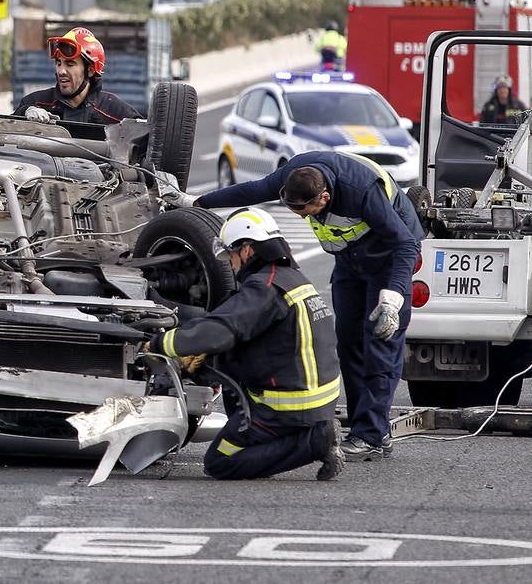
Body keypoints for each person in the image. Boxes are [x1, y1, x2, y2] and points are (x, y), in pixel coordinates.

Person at [189, 151, 421, 460]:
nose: (302, 216)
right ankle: (361, 422)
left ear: (324, 196)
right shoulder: (294, 175)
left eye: (307, 209)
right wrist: (196, 203)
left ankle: (374, 436)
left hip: (389, 261)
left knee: (379, 344)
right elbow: (253, 190)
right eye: (294, 208)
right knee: (350, 342)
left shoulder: (362, 192)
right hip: (350, 259)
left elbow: (405, 244)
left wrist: (392, 297)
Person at [150, 208, 344, 480]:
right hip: (316, 398)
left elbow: (220, 331)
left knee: (220, 460)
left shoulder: (264, 288)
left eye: (230, 254)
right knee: (226, 360)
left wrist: (163, 343)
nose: (229, 263)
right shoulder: (289, 278)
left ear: (247, 250)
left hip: (287, 408)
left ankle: (315, 441)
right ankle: (301, 435)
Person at [13, 26, 142, 124]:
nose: (61, 71)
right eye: (58, 63)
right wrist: (23, 113)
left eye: (70, 64)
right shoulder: (34, 103)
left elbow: (147, 137)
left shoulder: (115, 112)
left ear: (90, 70)